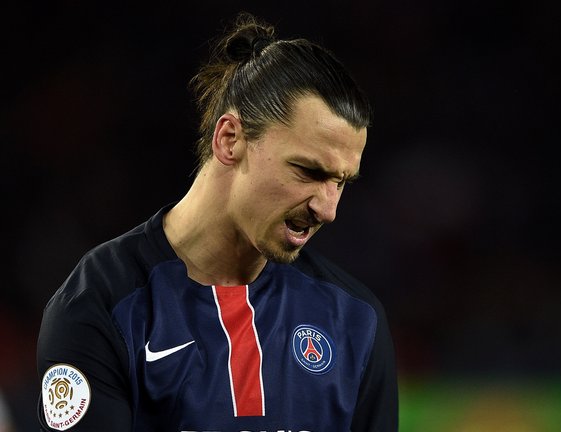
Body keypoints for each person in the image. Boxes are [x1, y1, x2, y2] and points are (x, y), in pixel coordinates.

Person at [36, 12, 398, 432]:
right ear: (230, 140)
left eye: (341, 182)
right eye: (309, 172)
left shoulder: (355, 321)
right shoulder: (99, 307)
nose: (327, 208)